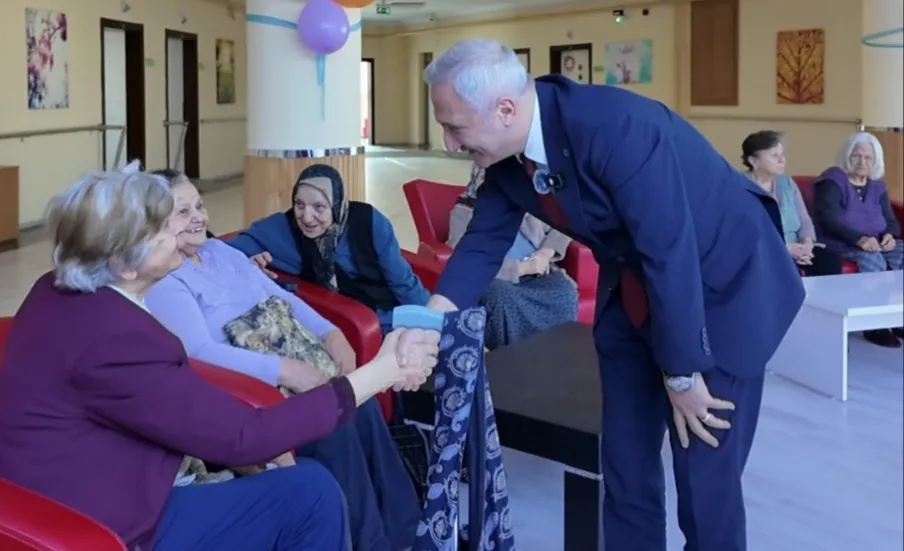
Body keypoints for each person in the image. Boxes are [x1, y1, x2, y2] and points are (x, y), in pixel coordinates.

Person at [418, 39, 805, 551]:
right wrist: (426, 324)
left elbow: (670, 251)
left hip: (722, 291)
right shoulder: (510, 156)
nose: (448, 143)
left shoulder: (616, 127)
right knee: (625, 465)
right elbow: (483, 241)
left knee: (704, 479)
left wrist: (683, 372)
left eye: (454, 127)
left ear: (505, 110)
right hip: (634, 291)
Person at [0, 165, 439, 551]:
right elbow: (243, 434)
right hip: (106, 520)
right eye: (162, 226)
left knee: (316, 466)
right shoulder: (113, 336)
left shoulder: (66, 290)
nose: (179, 229)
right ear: (124, 263)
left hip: (114, 473)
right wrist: (382, 371)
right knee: (312, 491)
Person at [146, 169, 422, 551]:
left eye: (199, 206)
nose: (198, 217)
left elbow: (282, 297)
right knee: (334, 426)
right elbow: (199, 353)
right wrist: (288, 372)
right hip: (253, 390)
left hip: (295, 364)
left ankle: (409, 532)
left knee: (364, 404)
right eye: (183, 211)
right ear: (155, 222)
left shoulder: (219, 251)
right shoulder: (165, 280)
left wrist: (331, 332)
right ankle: (370, 543)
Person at [227, 163, 430, 333]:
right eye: (299, 205)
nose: (306, 218)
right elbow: (222, 251)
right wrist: (248, 263)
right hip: (354, 322)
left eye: (319, 207)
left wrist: (431, 316)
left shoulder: (369, 221)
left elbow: (402, 281)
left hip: (393, 309)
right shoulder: (281, 230)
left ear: (337, 204)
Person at [449, 162, 579, 348]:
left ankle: (557, 352)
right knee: (501, 297)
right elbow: (465, 260)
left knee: (565, 292)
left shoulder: (526, 202)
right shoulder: (464, 210)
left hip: (536, 274)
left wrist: (545, 253)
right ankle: (516, 355)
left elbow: (562, 225)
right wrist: (521, 268)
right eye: (485, 177)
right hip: (499, 278)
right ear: (476, 179)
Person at [812, 131, 904, 347]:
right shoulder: (832, 181)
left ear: (875, 161)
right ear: (847, 156)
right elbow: (829, 219)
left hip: (876, 241)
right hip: (842, 242)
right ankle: (874, 326)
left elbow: (891, 220)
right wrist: (859, 239)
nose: (862, 162)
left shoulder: (877, 186)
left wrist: (890, 235)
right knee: (872, 259)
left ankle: (898, 318)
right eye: (857, 156)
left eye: (868, 158)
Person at [740, 130, 843, 276]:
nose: (782, 160)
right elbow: (746, 231)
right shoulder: (740, 186)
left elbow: (805, 220)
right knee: (784, 265)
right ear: (753, 161)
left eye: (782, 155)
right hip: (762, 250)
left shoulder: (787, 183)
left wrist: (807, 244)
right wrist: (785, 248)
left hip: (797, 247)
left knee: (829, 260)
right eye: (774, 155)